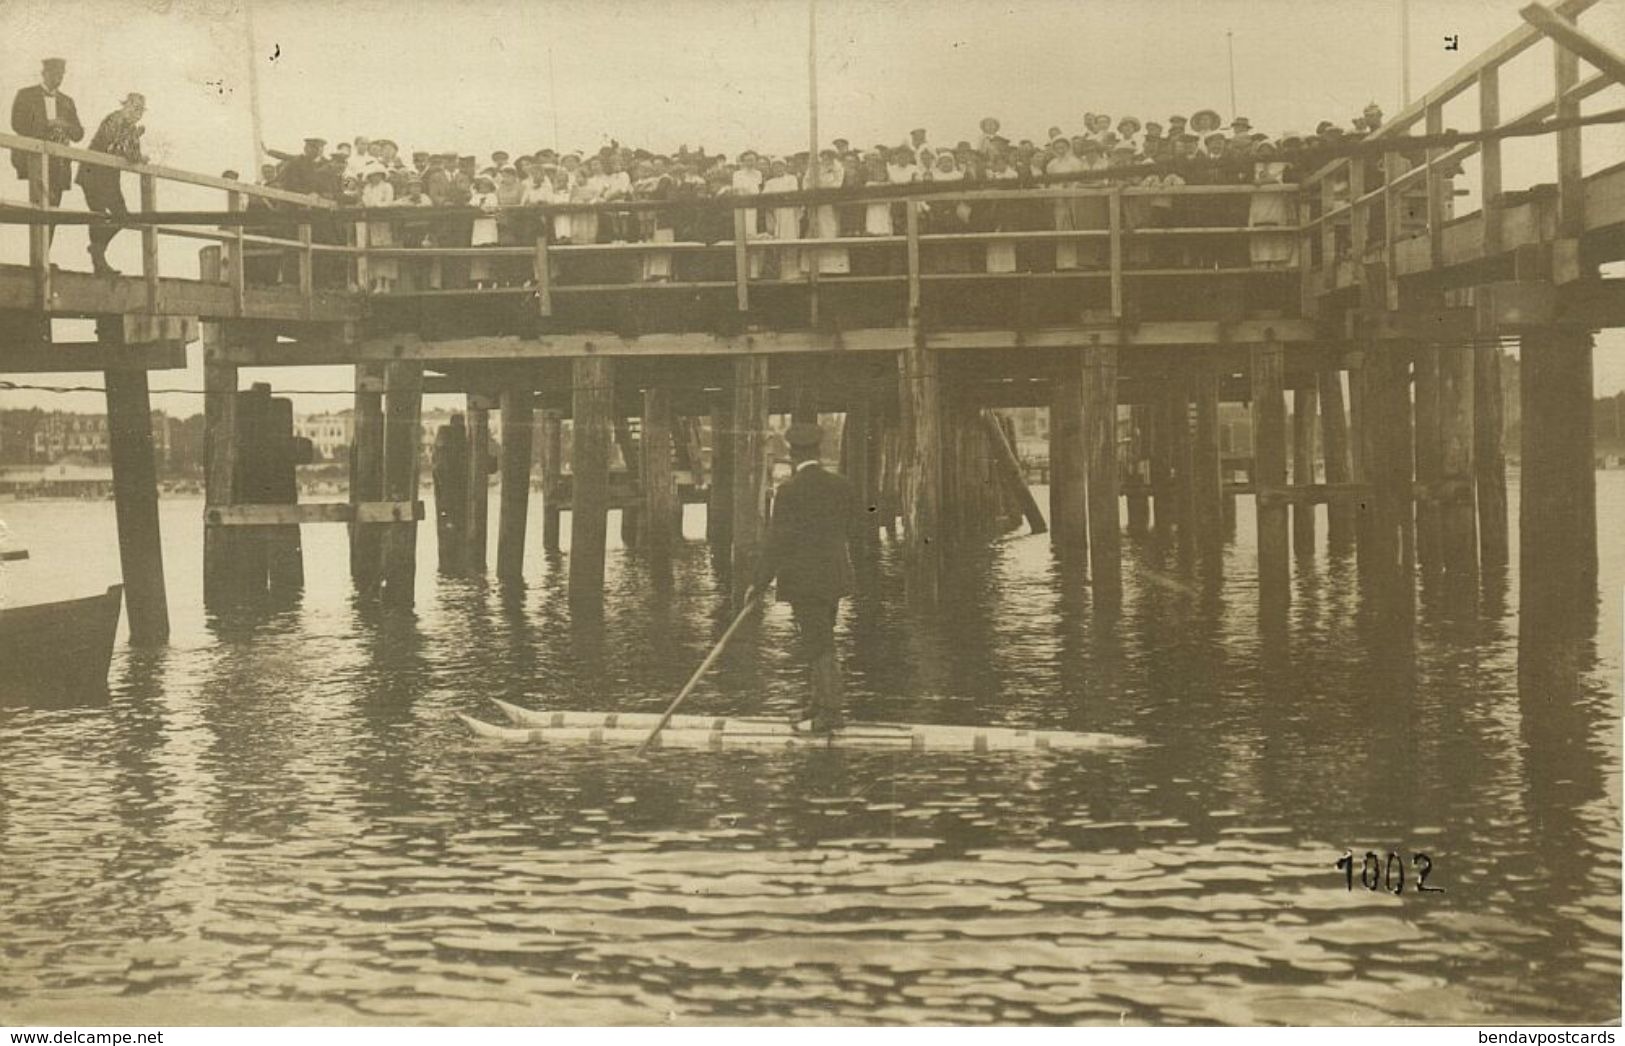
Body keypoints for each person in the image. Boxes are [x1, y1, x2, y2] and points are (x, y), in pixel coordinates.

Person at [754, 421, 857, 735]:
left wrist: (757, 583)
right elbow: (849, 528)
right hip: (835, 577)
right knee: (821, 634)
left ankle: (831, 712)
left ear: (793, 455)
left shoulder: (789, 491)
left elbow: (777, 542)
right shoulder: (842, 485)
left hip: (805, 580)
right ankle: (818, 703)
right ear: (818, 451)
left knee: (818, 641)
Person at [77, 92, 146, 275]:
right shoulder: (114, 119)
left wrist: (137, 152)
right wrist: (135, 150)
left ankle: (97, 251)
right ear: (125, 105)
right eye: (134, 108)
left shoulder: (132, 128)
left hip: (109, 177)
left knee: (122, 216)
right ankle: (99, 262)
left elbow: (134, 155)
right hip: (92, 172)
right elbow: (113, 148)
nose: (137, 113)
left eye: (140, 110)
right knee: (98, 215)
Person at [11, 57, 83, 221]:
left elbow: (78, 134)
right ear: (44, 73)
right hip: (33, 160)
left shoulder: (67, 101)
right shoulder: (26, 95)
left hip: (59, 164)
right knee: (37, 210)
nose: (58, 77)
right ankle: (38, 246)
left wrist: (66, 126)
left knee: (53, 214)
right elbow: (17, 124)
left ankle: (46, 247)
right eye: (55, 73)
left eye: (61, 74)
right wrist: (48, 124)